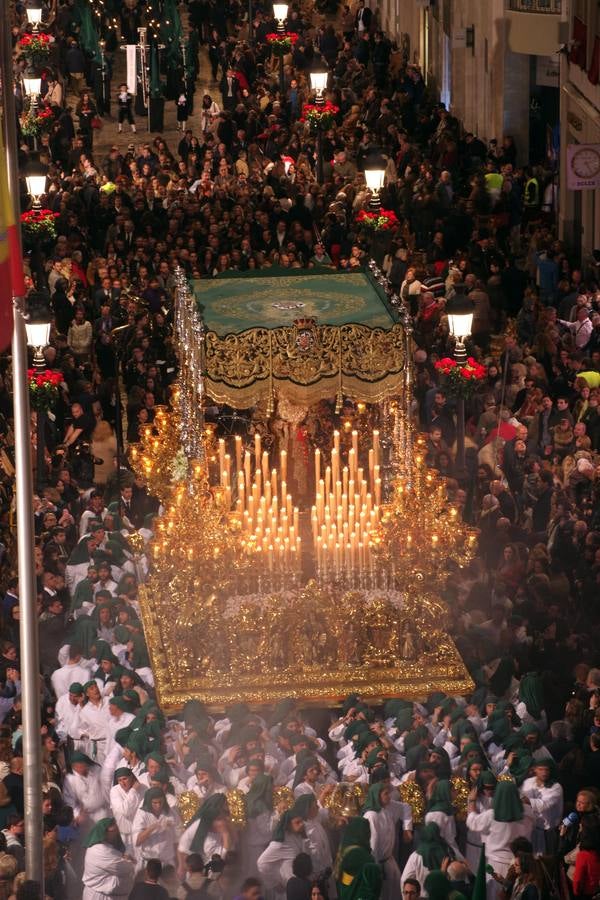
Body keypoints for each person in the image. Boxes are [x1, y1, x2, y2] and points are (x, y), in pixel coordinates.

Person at [82, 817, 135, 900]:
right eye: (113, 830)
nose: (117, 832)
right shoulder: (100, 850)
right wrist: (129, 861)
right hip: (98, 896)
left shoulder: (108, 848)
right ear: (104, 833)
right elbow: (126, 868)